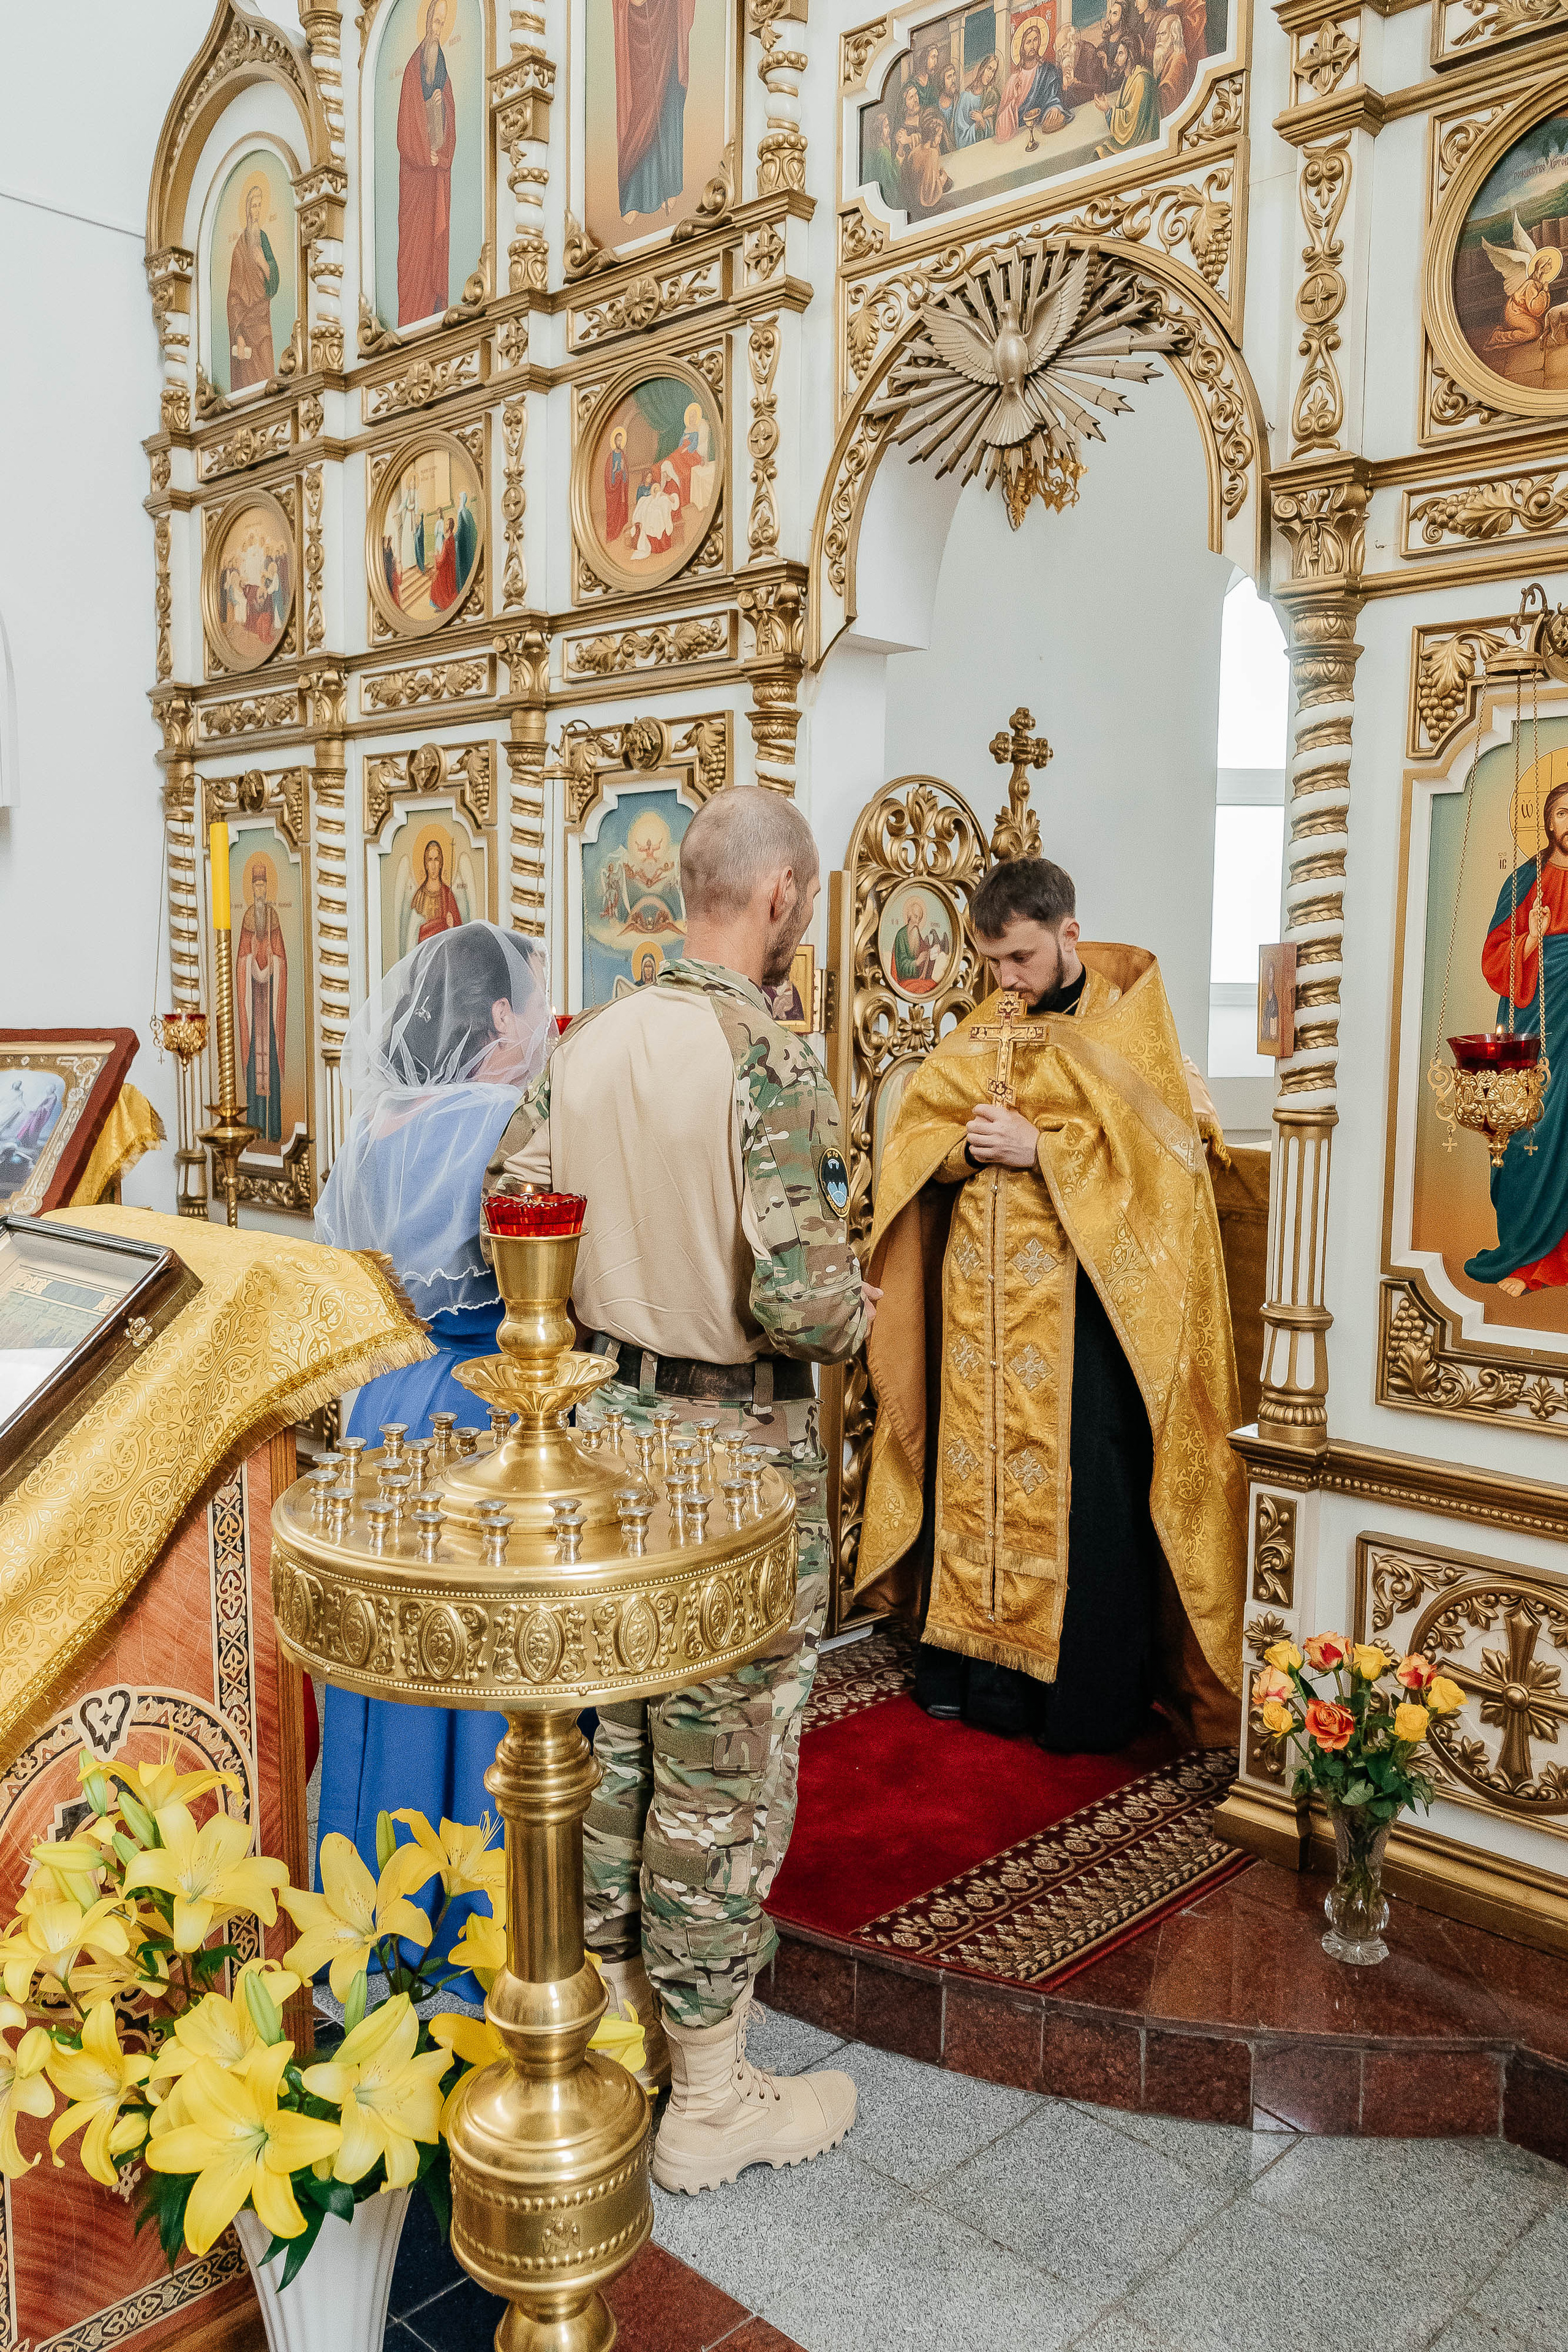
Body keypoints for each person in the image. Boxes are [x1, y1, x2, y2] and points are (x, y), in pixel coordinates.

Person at [486, 790, 873, 2195]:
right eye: (808, 897)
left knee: (624, 1747)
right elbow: (801, 1300)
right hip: (733, 1461)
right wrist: (864, 1302)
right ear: (777, 898)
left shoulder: (589, 1043)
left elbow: (512, 1208)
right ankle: (707, 2101)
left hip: (607, 1435)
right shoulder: (762, 1052)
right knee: (720, 1772)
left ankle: (626, 2040)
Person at [857, 856, 1244, 1753]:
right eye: (992, 964)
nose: (1006, 984)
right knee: (975, 1477)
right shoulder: (992, 1021)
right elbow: (921, 1129)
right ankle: (970, 1677)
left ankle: (1075, 1699)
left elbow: (1176, 1161)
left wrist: (1045, 1150)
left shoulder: (1129, 1027)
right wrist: (959, 1151)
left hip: (1083, 1314)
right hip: (978, 1315)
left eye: (1022, 960)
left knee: (1083, 1488)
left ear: (1069, 935)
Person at [314, 924, 552, 1971]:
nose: (543, 1017)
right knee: (471, 1657)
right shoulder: (503, 1121)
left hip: (381, 1408)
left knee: (386, 1654)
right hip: (473, 1403)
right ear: (499, 1014)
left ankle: (366, 1924)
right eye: (532, 999)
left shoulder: (375, 1123)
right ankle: (465, 1929)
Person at [1466, 780, 1568, 1295]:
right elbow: (1493, 958)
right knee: (1533, 1121)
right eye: (1563, 814)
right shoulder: (1525, 879)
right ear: (1549, 823)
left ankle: (1560, 1262)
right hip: (1536, 1016)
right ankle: (1526, 1257)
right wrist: (1531, 935)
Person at [395, 0, 458, 325]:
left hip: (436, 178)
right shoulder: (411, 70)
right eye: (434, 22)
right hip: (416, 177)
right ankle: (411, 317)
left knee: (436, 244)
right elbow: (405, 127)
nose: (437, 30)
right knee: (414, 249)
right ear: (426, 23)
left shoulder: (442, 69)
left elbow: (450, 115)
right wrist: (425, 151)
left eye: (442, 25)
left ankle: (434, 309)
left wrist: (442, 147)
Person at [612, 0, 698, 217]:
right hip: (639, 24)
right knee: (642, 108)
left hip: (667, 18)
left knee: (669, 99)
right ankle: (636, 193)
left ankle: (669, 184)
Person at [235, 858, 287, 1144]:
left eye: (263, 884)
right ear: (251, 888)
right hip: (253, 1002)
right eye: (256, 884)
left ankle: (273, 1128)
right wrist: (251, 959)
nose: (259, 889)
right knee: (256, 1058)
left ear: (267, 888)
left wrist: (272, 962)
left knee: (272, 1061)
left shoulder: (274, 918)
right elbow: (241, 961)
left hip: (269, 1005)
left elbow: (282, 959)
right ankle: (255, 1126)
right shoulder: (246, 919)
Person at [227, 175, 280, 389]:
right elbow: (233, 297)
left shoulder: (264, 240)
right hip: (246, 329)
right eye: (252, 206)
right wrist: (238, 334)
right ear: (247, 209)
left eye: (259, 206)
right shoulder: (239, 249)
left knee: (268, 376)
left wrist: (263, 263)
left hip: (263, 323)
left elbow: (274, 283)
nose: (255, 211)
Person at [996, 18, 1068, 144]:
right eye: (1028, 42)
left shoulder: (1048, 70)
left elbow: (1054, 97)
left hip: (1046, 131)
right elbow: (1001, 127)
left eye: (1036, 40)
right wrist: (1014, 101)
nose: (1033, 45)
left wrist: (1055, 108)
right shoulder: (1013, 80)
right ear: (1022, 47)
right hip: (1020, 138)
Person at [1095, 36, 1161, 157]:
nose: (1116, 59)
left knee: (1099, 153)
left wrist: (1108, 110)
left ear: (1130, 56)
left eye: (1121, 54)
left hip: (1141, 142)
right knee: (1098, 152)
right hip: (1131, 139)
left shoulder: (1141, 79)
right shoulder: (1130, 77)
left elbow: (1130, 122)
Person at [952, 53, 1001, 145]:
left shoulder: (993, 95)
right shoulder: (965, 97)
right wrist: (981, 118)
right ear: (982, 68)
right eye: (989, 69)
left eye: (994, 71)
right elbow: (960, 134)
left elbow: (996, 128)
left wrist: (981, 120)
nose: (990, 75)